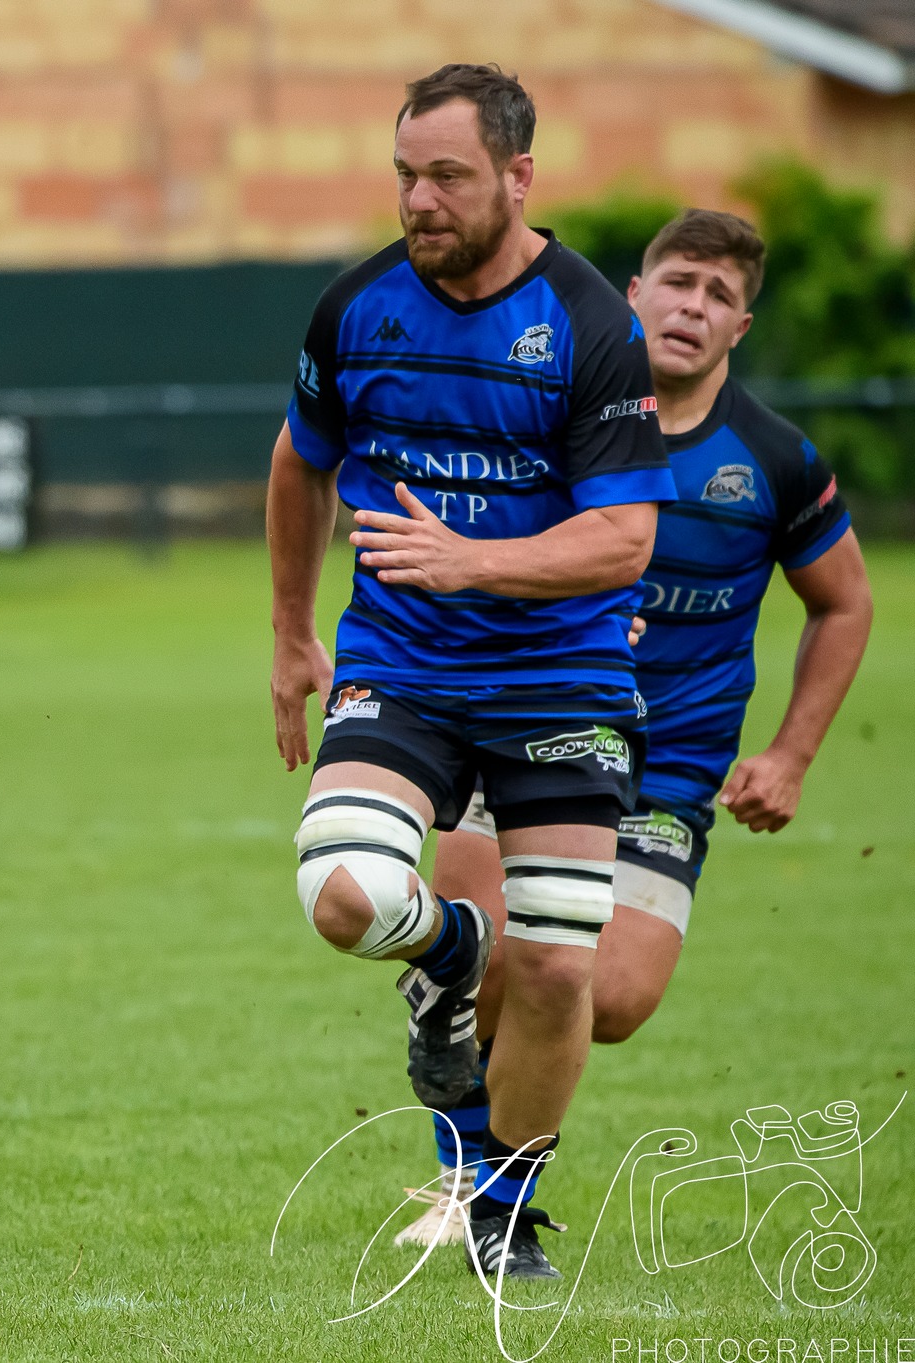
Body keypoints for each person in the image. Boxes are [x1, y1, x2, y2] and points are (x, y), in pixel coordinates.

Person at [267, 64, 676, 1281]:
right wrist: (292, 631)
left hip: (558, 683)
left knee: (556, 967)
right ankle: (447, 954)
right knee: (339, 891)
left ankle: (502, 1208)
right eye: (403, 173)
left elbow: (623, 538)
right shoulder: (354, 309)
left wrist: (470, 558)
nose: (418, 199)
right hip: (400, 667)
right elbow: (297, 465)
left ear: (516, 175)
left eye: (445, 175)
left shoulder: (592, 326)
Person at [395, 210, 873, 1248]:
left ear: (739, 326)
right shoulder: (553, 422)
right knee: (493, 951)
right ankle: (479, 1195)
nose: (691, 307)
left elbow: (844, 601)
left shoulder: (771, 461)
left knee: (603, 996)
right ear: (632, 291)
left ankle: (477, 1158)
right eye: (677, 282)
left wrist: (788, 753)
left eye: (716, 295)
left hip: (666, 773)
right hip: (530, 722)